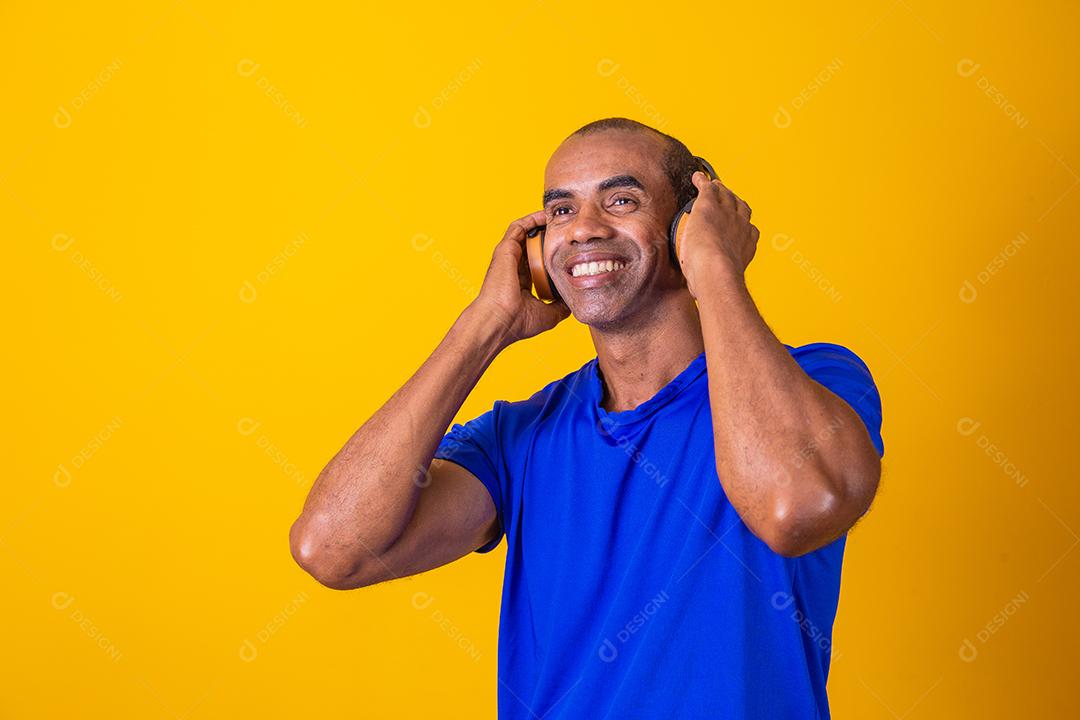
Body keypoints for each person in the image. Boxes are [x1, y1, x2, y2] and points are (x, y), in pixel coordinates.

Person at [289, 117, 884, 719]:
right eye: (561, 211)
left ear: (687, 223)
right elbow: (333, 548)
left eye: (621, 200)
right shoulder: (518, 438)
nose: (583, 230)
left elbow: (795, 508)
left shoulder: (816, 381)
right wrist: (486, 323)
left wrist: (715, 269)